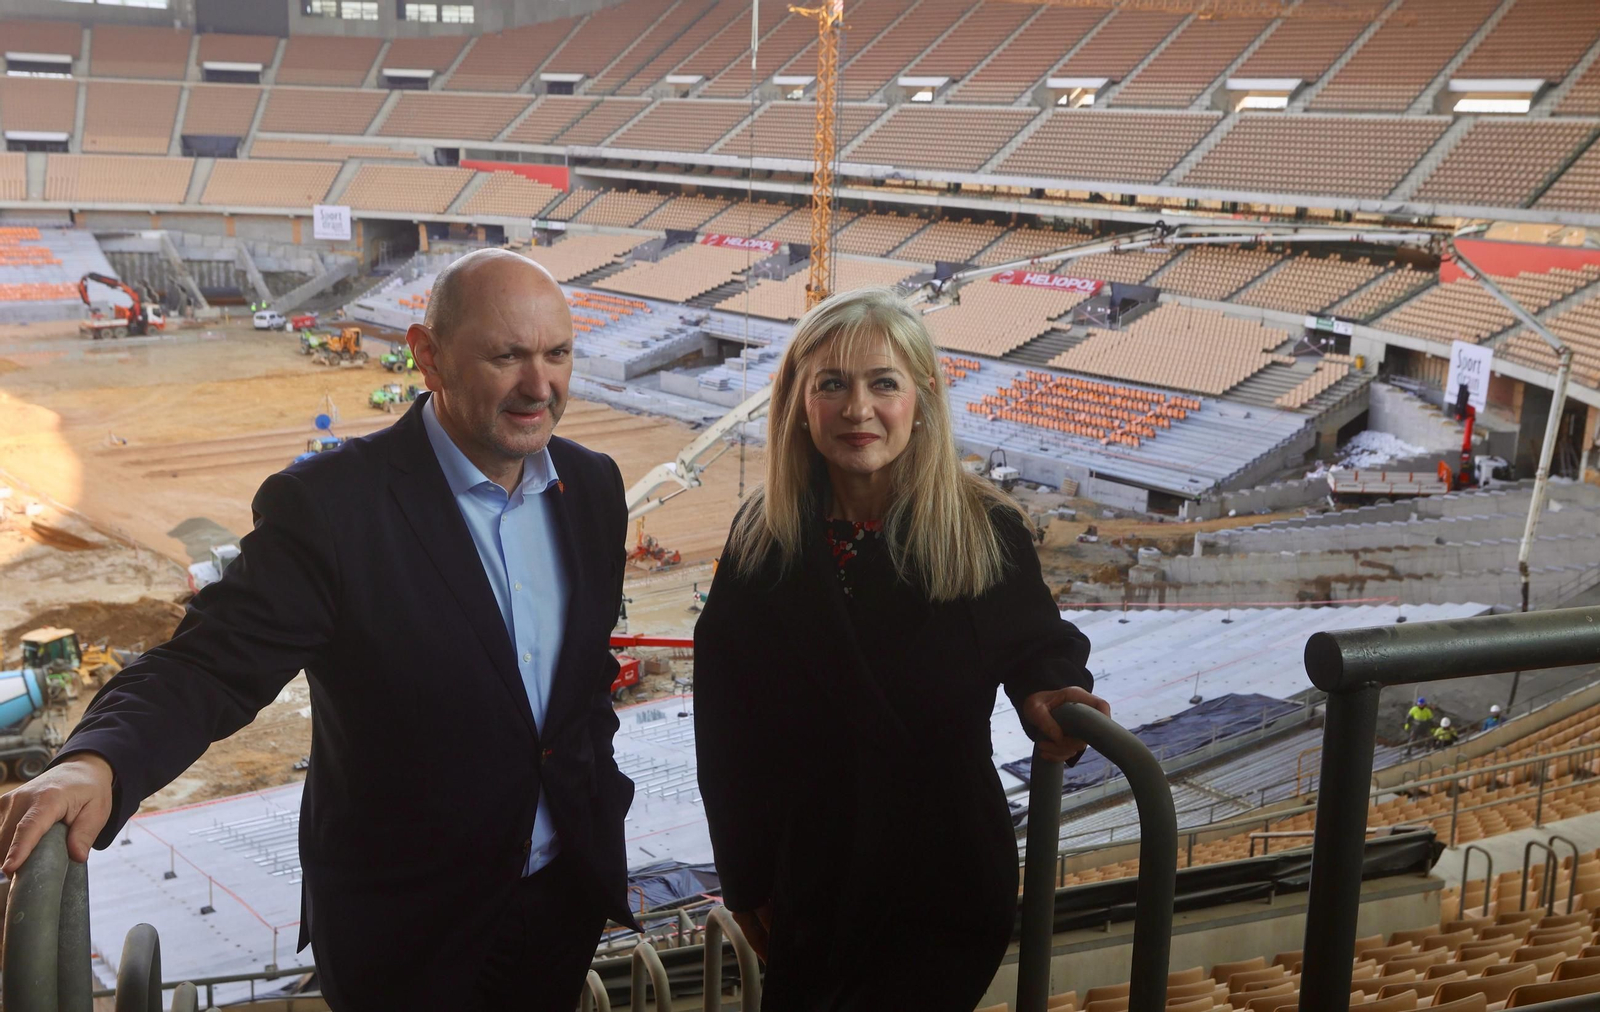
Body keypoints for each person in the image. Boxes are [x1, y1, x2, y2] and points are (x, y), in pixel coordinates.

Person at [0, 249, 636, 1011]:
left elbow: (582, 682)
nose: (541, 386)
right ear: (426, 356)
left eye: (557, 354)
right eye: (507, 356)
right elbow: (210, 666)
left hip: (562, 901)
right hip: (409, 934)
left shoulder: (593, 486)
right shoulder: (332, 508)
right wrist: (98, 761)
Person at [694, 286, 1109, 1010]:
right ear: (799, 403)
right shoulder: (762, 540)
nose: (858, 409)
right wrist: (746, 875)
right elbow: (726, 729)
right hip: (811, 878)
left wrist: (1051, 689)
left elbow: (1039, 645)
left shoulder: (985, 527)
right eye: (831, 385)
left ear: (921, 399)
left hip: (941, 877)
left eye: (883, 383)